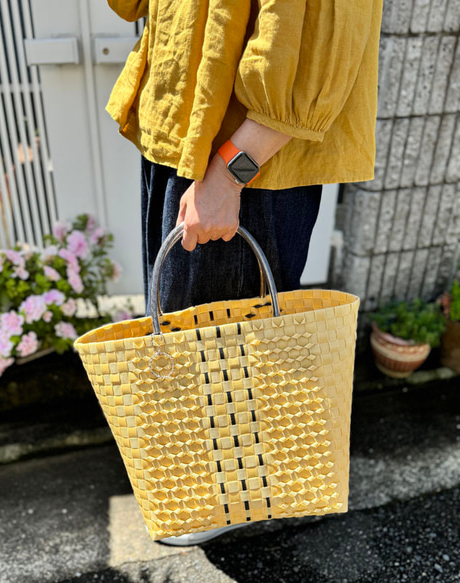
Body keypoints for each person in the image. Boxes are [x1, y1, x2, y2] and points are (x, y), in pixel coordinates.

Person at [106, 0, 383, 545]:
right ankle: (211, 478)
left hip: (243, 163)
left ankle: (227, 495)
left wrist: (228, 178)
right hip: (186, 137)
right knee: (192, 329)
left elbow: (317, 43)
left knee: (227, 333)